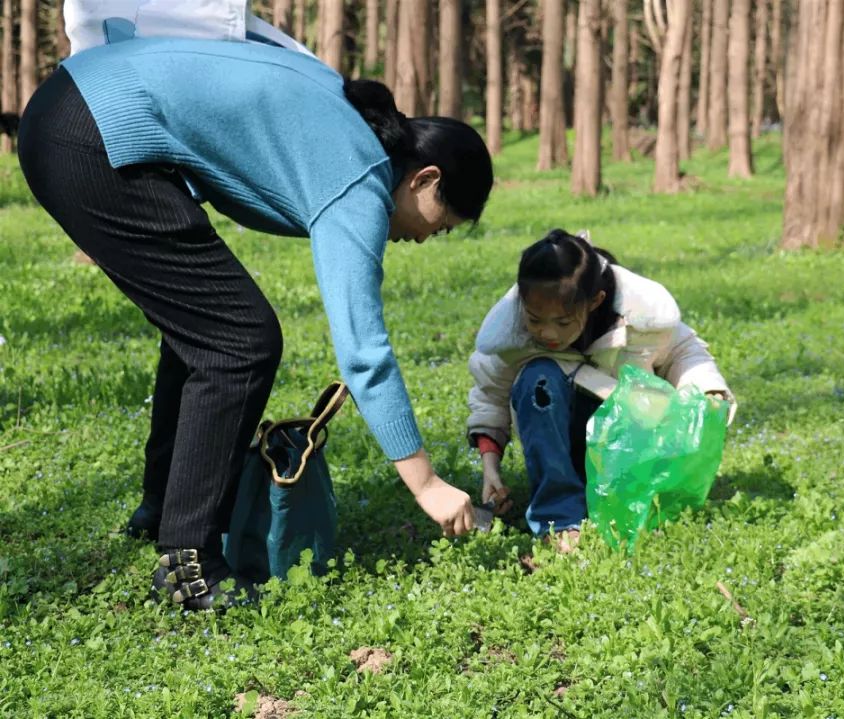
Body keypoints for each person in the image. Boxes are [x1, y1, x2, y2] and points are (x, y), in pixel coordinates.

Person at [18, 36, 492, 610]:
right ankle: (187, 563)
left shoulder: (346, 128)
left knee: (210, 328)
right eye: (440, 223)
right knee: (239, 339)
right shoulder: (361, 176)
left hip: (72, 111)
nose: (425, 238)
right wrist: (427, 484)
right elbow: (364, 355)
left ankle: (164, 508)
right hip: (90, 135)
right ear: (424, 179)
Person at [465, 230, 735, 548]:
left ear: (595, 302)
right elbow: (490, 394)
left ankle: (633, 501)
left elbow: (683, 351)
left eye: (563, 322)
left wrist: (708, 388)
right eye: (536, 319)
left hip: (625, 436)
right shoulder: (512, 336)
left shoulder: (641, 317)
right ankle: (560, 521)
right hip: (557, 436)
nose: (548, 333)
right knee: (537, 378)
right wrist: (490, 468)